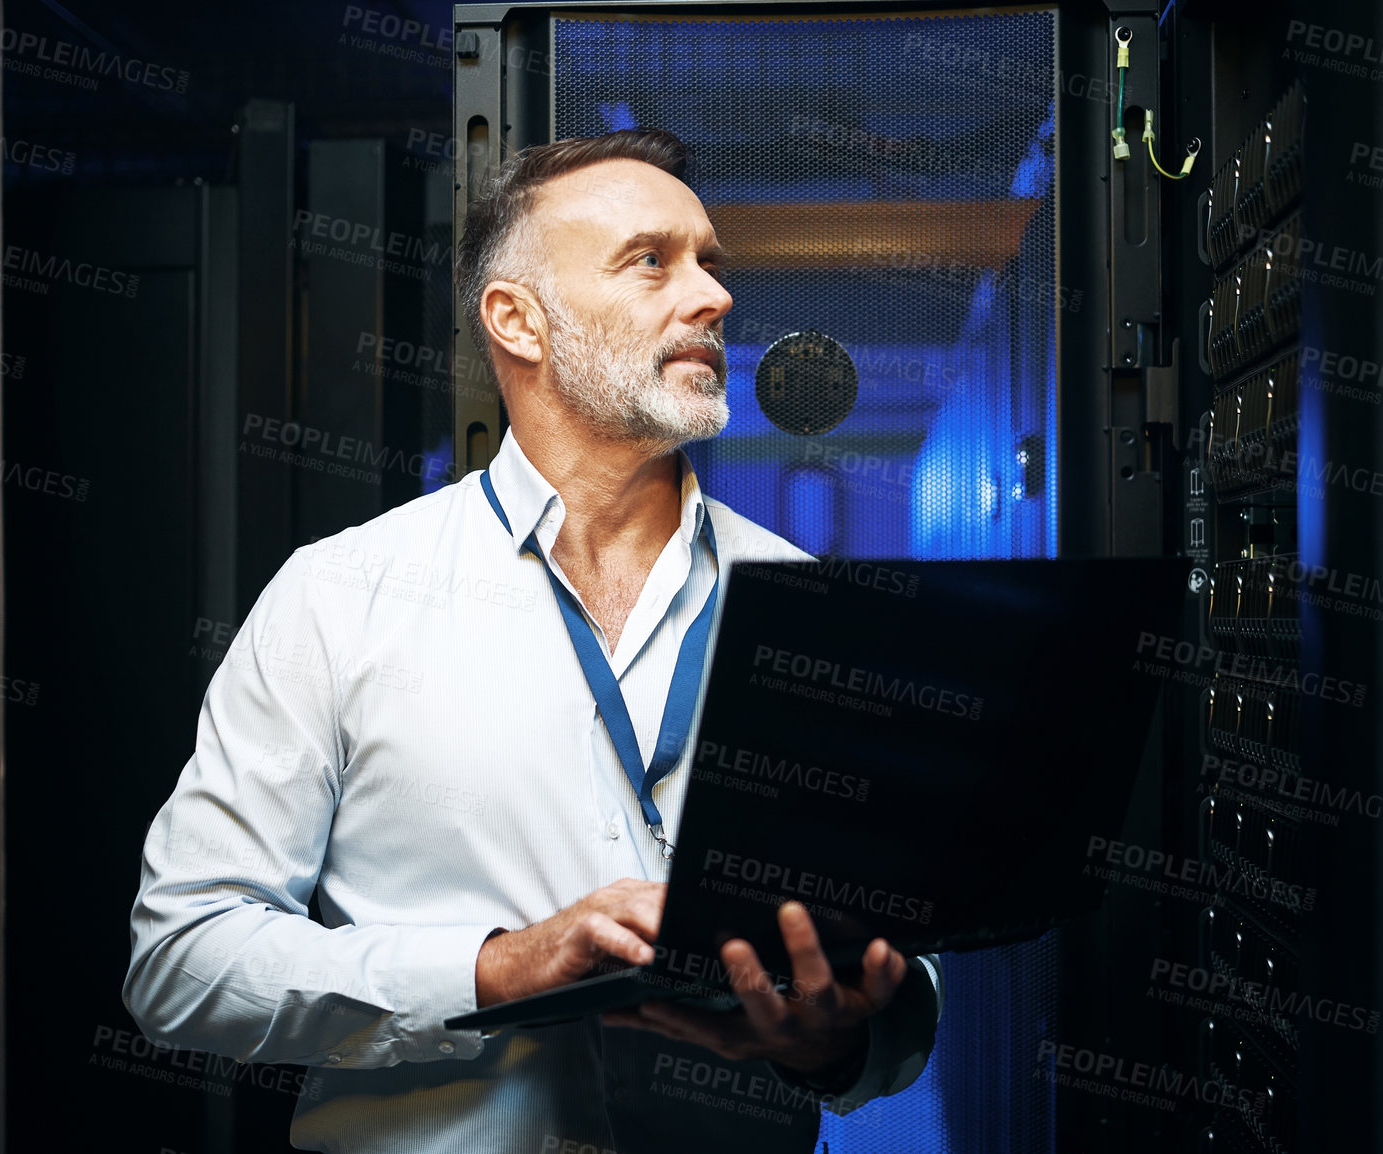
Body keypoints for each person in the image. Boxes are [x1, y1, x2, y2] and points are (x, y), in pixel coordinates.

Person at [124, 127, 942, 1153]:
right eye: (652, 260)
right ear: (518, 319)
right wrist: (492, 969)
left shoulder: (821, 609)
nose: (715, 297)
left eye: (710, 263)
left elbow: (909, 956)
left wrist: (833, 1041)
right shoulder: (340, 597)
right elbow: (181, 958)